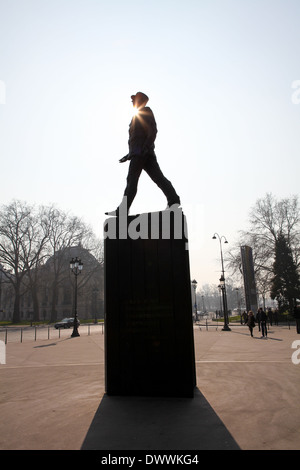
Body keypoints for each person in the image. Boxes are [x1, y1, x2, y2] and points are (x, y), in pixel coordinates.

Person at [106, 92, 181, 216]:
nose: (132, 101)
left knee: (132, 180)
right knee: (158, 178)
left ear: (140, 101)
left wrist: (145, 148)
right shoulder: (138, 115)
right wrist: (129, 155)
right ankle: (174, 201)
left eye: (134, 99)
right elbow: (136, 138)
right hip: (141, 153)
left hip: (142, 153)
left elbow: (153, 131)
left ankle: (123, 210)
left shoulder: (145, 112)